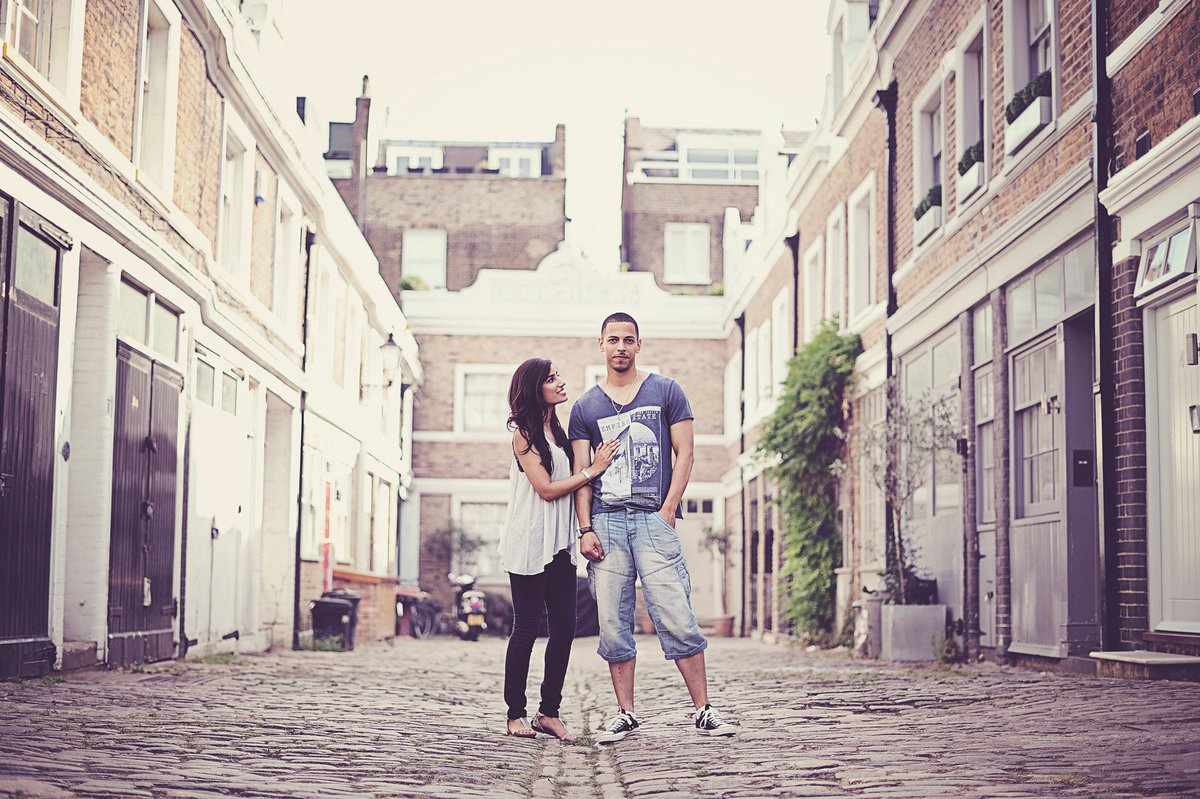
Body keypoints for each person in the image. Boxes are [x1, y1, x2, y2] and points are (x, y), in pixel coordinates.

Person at [568, 312, 737, 742]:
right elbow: (581, 473)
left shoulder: (666, 391)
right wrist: (585, 528)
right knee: (612, 621)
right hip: (605, 523)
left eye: (628, 340)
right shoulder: (585, 407)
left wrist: (668, 510)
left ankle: (704, 709)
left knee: (677, 614)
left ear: (639, 345)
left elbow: (685, 453)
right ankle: (625, 712)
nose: (621, 347)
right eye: (613, 340)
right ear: (600, 345)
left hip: (652, 520)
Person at [500, 357, 620, 740]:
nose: (560, 383)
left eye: (558, 377)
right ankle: (515, 713)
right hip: (530, 540)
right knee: (527, 627)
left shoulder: (558, 429)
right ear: (537, 389)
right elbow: (546, 489)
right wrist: (592, 470)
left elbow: (568, 484)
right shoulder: (523, 433)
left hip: (561, 544)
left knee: (565, 628)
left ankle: (548, 712)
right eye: (552, 379)